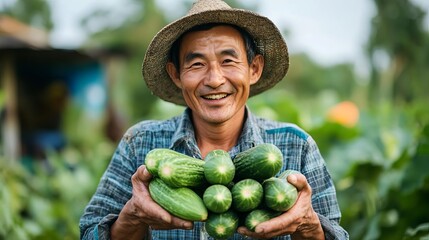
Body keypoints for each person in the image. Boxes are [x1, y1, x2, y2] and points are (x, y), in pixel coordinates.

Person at [79, 0, 349, 239]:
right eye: (197, 64)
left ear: (254, 69)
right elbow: (89, 233)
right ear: (176, 75)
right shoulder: (139, 145)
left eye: (228, 61)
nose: (215, 79)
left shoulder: (297, 146)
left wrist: (307, 225)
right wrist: (133, 216)